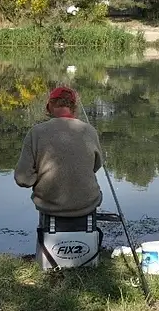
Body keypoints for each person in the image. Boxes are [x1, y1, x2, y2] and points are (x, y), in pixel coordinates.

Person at [13, 86, 104, 218]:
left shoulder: (36, 132)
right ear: (74, 108)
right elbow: (96, 166)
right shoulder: (90, 131)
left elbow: (22, 179)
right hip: (87, 204)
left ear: (49, 106)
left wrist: (41, 177)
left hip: (49, 206)